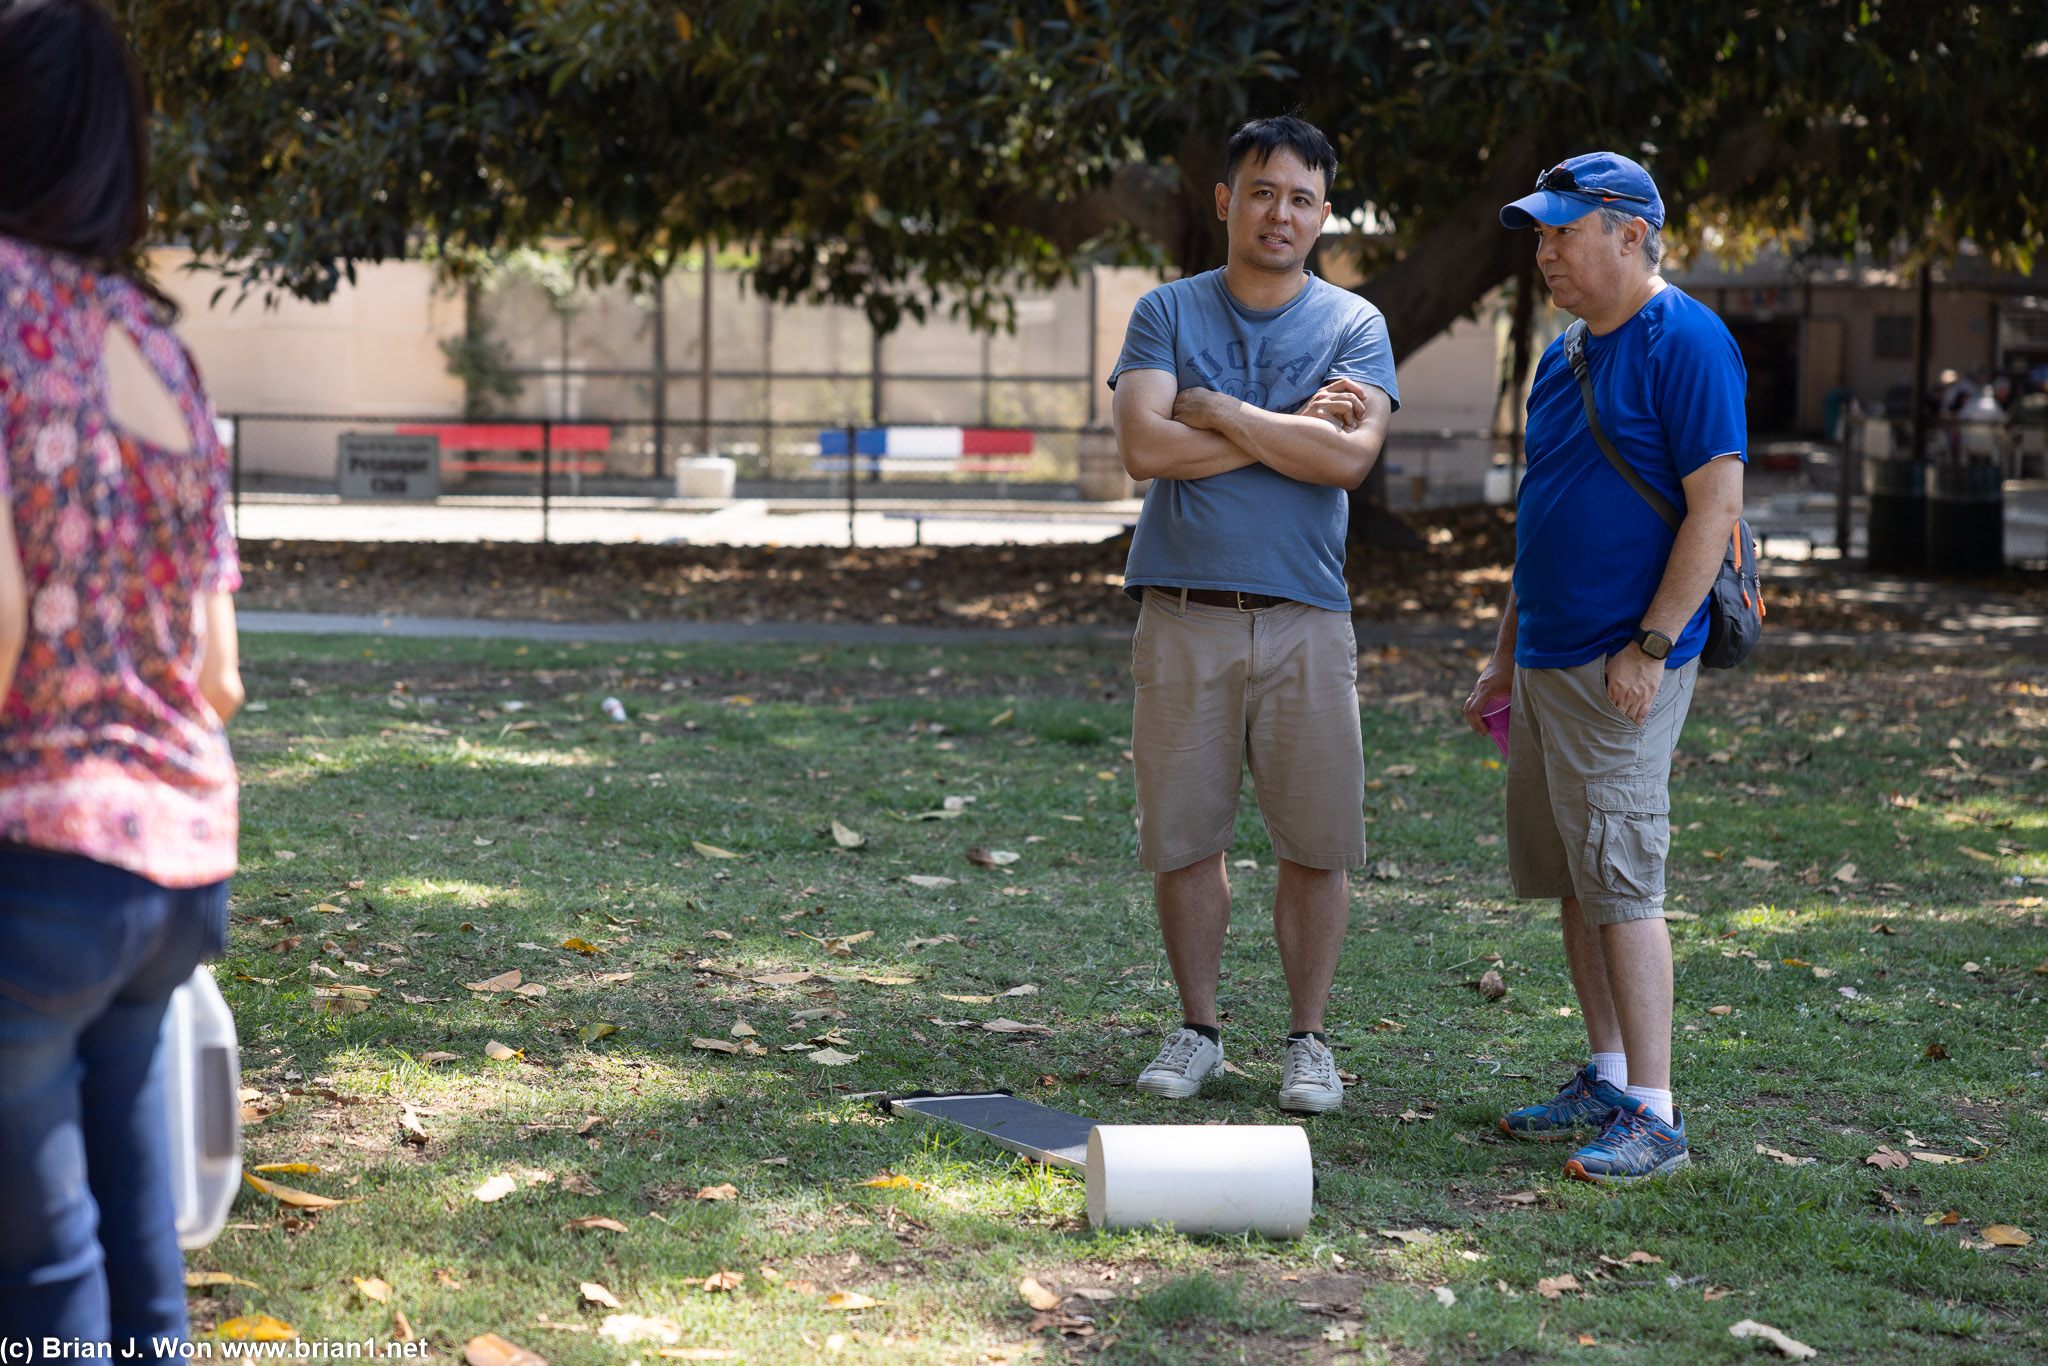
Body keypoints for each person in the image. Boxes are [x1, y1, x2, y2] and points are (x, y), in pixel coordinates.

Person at [0, 0, 244, 1347]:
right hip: (180, 869)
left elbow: (2, 621)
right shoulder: (164, 348)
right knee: (134, 1225)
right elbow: (218, 673)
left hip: (36, 853)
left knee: (37, 1274)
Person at [1462, 152, 1746, 1183]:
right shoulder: (1560, 355)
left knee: (1622, 878)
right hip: (1544, 661)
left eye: (1559, 232)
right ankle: (1607, 1072)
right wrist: (1502, 653)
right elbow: (1541, 512)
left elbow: (1713, 507)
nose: (1541, 252)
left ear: (1627, 234)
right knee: (1578, 880)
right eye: (1537, 235)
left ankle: (1658, 1114)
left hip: (1623, 663)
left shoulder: (1689, 342)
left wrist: (1651, 644)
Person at [1109, 115, 1397, 1114]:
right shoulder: (1164, 312)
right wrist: (1288, 429)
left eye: (1302, 198)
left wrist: (1221, 411)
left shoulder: (1356, 326)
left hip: (1306, 617)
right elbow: (1143, 450)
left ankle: (1307, 1041)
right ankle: (1197, 1030)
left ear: (1322, 216)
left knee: (1314, 843)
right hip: (1183, 610)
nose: (1281, 212)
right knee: (1185, 835)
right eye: (1262, 191)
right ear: (1225, 199)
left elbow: (1346, 462)